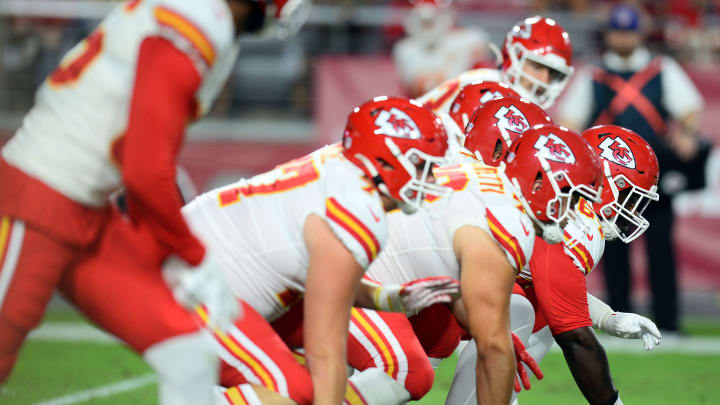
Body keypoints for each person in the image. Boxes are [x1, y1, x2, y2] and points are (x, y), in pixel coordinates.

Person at [0, 0, 308, 400]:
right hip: (40, 194)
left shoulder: (205, 20)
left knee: (189, 353)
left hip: (89, 210)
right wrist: (191, 255)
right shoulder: (198, 18)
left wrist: (169, 252)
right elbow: (146, 171)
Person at [66, 96, 450, 405]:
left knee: (313, 383)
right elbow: (324, 347)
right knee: (293, 389)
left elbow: (320, 274)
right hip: (192, 283)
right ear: (381, 159)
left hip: (201, 275)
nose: (429, 178)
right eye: (421, 165)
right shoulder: (359, 208)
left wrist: (385, 297)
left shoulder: (341, 171)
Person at [446, 125, 663, 405]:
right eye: (630, 199)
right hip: (425, 269)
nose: (631, 212)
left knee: (528, 306)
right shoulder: (573, 220)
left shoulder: (521, 183)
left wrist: (605, 317)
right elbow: (574, 337)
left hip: (439, 265)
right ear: (609, 184)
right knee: (520, 310)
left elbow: (551, 285)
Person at [557, 3, 709, 333]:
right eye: (617, 31)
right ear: (608, 34)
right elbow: (568, 121)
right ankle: (619, 319)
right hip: (609, 183)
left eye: (628, 31)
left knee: (661, 251)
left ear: (639, 33)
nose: (623, 38)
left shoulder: (660, 68)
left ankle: (667, 321)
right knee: (610, 253)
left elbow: (690, 110)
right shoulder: (593, 73)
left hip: (654, 177)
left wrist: (686, 132)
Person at [417, 15, 574, 113]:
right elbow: (419, 116)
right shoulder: (478, 83)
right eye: (537, 66)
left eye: (553, 73)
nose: (544, 80)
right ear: (514, 56)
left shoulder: (539, 116)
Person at [392, 0, 491, 98]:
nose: (429, 27)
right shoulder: (406, 49)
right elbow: (420, 89)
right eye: (425, 23)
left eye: (431, 22)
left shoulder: (467, 39)